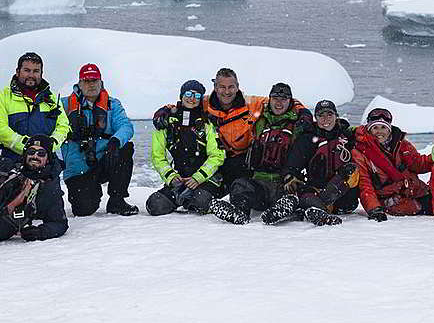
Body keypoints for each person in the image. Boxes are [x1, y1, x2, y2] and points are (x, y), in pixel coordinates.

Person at [210, 82, 307, 225]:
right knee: (240, 185)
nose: (279, 103)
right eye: (275, 98)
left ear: (290, 101)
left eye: (284, 99)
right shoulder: (260, 120)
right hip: (259, 182)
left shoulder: (298, 124)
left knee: (293, 197)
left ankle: (283, 211)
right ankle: (240, 212)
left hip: (284, 182)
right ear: (270, 100)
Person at [266, 99, 360, 226]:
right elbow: (292, 166)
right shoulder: (307, 139)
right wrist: (290, 177)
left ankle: (311, 207)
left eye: (329, 114)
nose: (325, 119)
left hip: (343, 197)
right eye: (321, 115)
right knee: (298, 188)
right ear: (315, 118)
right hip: (315, 189)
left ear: (336, 116)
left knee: (351, 170)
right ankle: (313, 209)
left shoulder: (347, 136)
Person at [61, 63, 137, 216]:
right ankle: (89, 192)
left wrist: (115, 141)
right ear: (80, 84)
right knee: (83, 210)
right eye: (87, 81)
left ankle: (117, 200)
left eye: (94, 80)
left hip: (105, 159)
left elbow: (126, 126)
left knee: (125, 148)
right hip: (78, 167)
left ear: (101, 83)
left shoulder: (112, 104)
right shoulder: (64, 105)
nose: (91, 85)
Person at [146, 80, 226, 216]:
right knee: (155, 205)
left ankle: (197, 199)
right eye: (188, 94)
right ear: (181, 95)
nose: (192, 98)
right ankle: (182, 197)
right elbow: (157, 156)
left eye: (197, 96)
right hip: (179, 178)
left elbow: (217, 155)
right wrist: (171, 177)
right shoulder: (165, 121)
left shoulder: (207, 122)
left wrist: (198, 178)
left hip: (204, 178)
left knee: (200, 202)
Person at [352, 107, 434, 221]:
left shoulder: (401, 144)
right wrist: (374, 209)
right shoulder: (360, 152)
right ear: (369, 129)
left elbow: (418, 164)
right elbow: (365, 185)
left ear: (389, 129)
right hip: (391, 200)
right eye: (375, 128)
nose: (379, 132)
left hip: (415, 190)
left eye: (383, 127)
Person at [0, 51, 70, 161]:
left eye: (36, 71)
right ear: (18, 72)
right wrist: (26, 145)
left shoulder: (52, 98)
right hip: (12, 159)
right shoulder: (3, 97)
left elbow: (63, 126)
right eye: (27, 70)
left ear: (41, 73)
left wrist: (50, 145)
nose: (31, 75)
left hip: (46, 160)